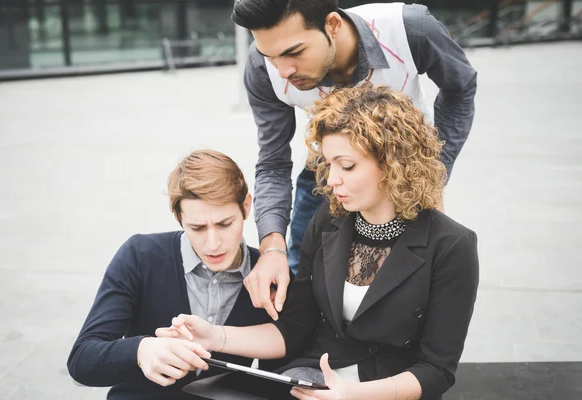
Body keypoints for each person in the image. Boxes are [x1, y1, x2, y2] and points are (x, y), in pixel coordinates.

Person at [158, 84, 480, 400]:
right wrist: (215, 336)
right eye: (329, 164)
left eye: (347, 165)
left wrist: (354, 395)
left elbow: (437, 370)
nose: (332, 179)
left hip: (386, 391)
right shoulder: (329, 218)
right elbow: (295, 329)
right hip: (309, 379)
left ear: (392, 162)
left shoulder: (451, 245)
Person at [233, 0, 478, 320]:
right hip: (324, 174)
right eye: (270, 56)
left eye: (294, 52)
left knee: (408, 294)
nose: (283, 70)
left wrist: (431, 174)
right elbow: (273, 162)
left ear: (333, 25)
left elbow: (460, 87)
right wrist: (271, 248)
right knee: (298, 291)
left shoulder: (409, 30)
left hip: (404, 173)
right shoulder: (261, 68)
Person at [66, 150, 276, 399]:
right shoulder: (139, 256)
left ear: (246, 206)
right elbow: (82, 360)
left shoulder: (269, 276)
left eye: (224, 224)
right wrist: (140, 351)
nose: (212, 244)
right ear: (178, 217)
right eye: (197, 228)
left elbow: (283, 375)